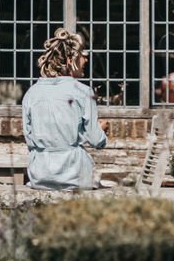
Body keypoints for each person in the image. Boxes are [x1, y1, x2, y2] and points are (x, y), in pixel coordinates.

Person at [21, 28, 108, 191]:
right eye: (82, 54)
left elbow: (30, 140)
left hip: (40, 176)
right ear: (70, 59)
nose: (86, 59)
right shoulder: (83, 92)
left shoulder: (31, 93)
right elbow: (97, 141)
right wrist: (101, 130)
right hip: (74, 175)